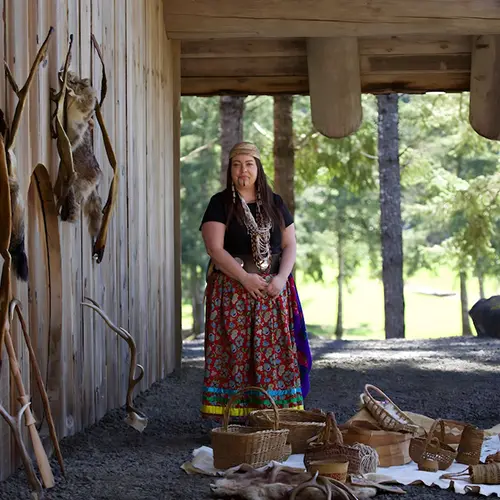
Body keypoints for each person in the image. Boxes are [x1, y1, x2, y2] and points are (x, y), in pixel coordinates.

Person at [199, 141, 312, 421]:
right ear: (230, 170)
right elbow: (215, 248)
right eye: (237, 165)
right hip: (234, 290)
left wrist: (282, 279)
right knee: (235, 353)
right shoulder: (220, 203)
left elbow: (290, 245)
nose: (242, 171)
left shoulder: (274, 203)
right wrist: (245, 278)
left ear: (258, 169)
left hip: (273, 290)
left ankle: (274, 416)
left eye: (249, 164)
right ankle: (234, 419)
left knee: (274, 351)